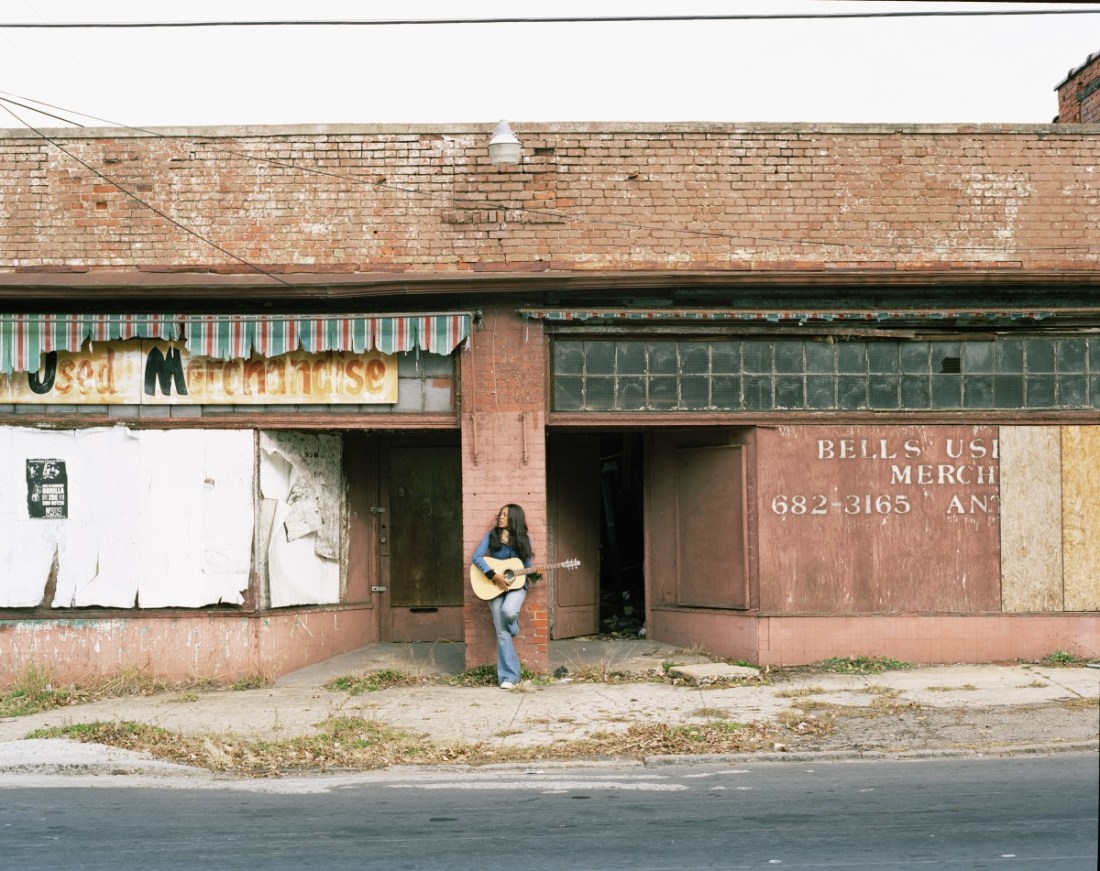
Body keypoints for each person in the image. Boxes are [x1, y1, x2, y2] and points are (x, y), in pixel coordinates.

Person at [471, 503, 546, 689]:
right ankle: (509, 678)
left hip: (517, 586)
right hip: (493, 586)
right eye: (501, 514)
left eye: (505, 514)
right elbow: (477, 557)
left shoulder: (523, 539)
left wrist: (538, 573)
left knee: (509, 612)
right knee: (502, 633)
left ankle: (514, 624)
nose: (500, 517)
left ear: (514, 518)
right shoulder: (492, 535)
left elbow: (526, 568)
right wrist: (493, 575)